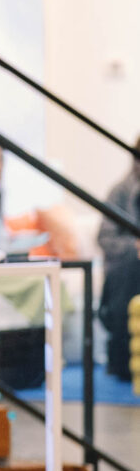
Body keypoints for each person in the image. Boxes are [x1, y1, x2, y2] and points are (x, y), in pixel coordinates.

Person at [98, 141, 140, 381]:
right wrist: (134, 246)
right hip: (125, 269)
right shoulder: (121, 191)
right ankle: (124, 360)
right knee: (134, 266)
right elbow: (105, 237)